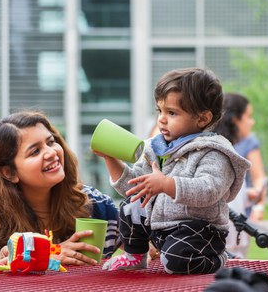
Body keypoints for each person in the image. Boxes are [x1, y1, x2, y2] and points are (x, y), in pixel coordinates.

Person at [93, 67, 250, 274]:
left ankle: (217, 259)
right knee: (130, 206)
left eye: (172, 113)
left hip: (199, 231)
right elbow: (135, 188)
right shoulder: (156, 148)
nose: (162, 119)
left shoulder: (214, 152)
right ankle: (135, 256)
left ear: (202, 119)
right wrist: (110, 158)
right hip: (159, 226)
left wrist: (167, 184)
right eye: (160, 111)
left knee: (174, 262)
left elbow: (209, 190)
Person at [0, 110, 119, 273]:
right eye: (35, 151)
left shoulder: (96, 204)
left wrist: (143, 243)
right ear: (9, 172)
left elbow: (138, 245)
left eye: (51, 142)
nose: (51, 152)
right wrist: (46, 257)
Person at [214, 93, 268, 258]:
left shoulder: (248, 142)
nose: (252, 122)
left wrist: (249, 198)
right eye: (248, 117)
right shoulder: (218, 150)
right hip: (225, 232)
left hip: (235, 228)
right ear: (235, 119)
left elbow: (259, 177)